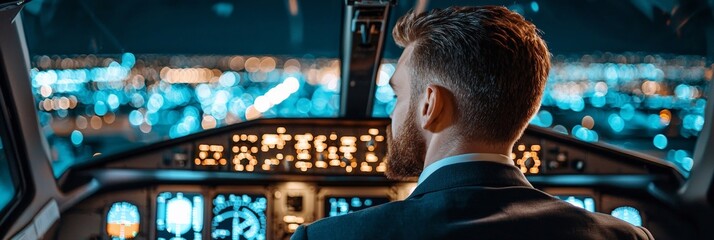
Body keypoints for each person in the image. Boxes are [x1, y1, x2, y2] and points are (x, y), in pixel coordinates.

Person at [291, 6, 654, 240]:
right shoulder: (626, 238)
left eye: (398, 96)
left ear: (430, 104)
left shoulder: (327, 237)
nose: (391, 114)